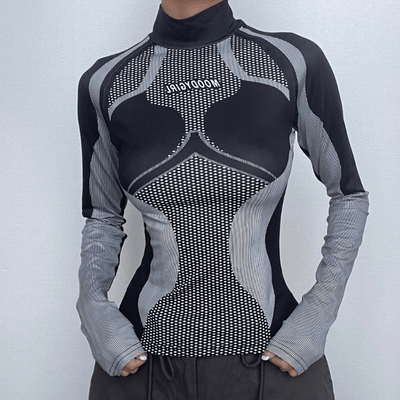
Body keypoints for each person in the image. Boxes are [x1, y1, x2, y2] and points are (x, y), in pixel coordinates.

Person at [76, 0, 369, 398]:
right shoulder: (105, 82)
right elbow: (103, 215)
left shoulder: (291, 62)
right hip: (142, 367)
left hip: (272, 363)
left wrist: (319, 312)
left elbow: (349, 194)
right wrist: (93, 308)